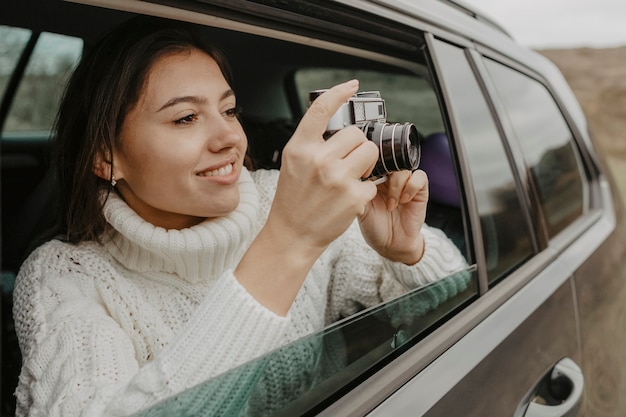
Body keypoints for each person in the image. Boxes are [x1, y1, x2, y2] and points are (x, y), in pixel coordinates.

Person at [12, 17, 468, 417]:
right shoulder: (65, 277)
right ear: (106, 158)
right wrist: (288, 242)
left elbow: (454, 299)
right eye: (186, 118)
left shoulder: (284, 196)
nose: (229, 136)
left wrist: (407, 252)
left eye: (229, 110)